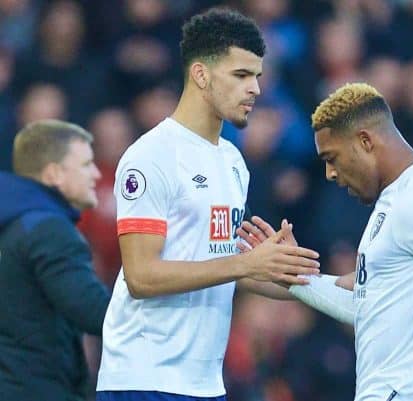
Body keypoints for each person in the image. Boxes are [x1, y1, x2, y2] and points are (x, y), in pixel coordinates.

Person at [237, 83, 413, 401]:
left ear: (365, 141)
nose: (330, 173)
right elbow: (372, 310)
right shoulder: (394, 204)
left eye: (332, 157)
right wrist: (295, 277)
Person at [96, 8, 320, 401]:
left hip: (204, 382)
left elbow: (220, 265)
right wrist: (245, 263)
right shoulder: (151, 156)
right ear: (201, 74)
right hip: (145, 378)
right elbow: (141, 276)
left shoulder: (233, 162)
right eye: (241, 75)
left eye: (257, 77)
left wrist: (311, 282)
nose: (255, 89)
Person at [0, 119, 110, 401]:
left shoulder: (13, 223)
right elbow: (95, 312)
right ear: (54, 174)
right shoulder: (50, 231)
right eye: (86, 165)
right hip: (38, 389)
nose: (96, 174)